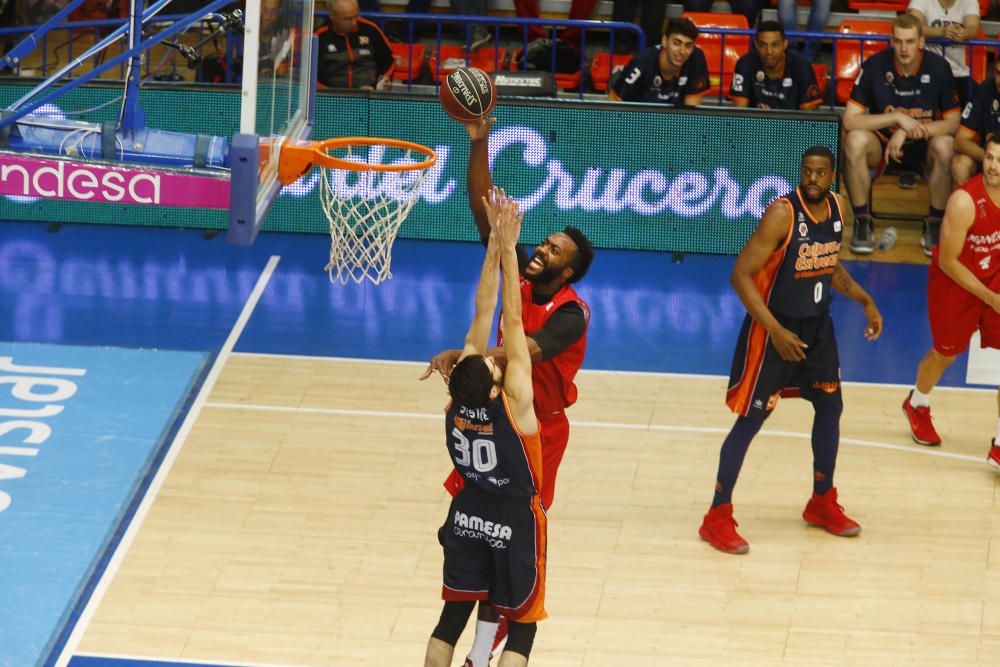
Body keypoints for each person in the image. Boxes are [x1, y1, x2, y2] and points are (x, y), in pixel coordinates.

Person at [422, 117, 593, 666]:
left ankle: (481, 640)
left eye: (556, 249)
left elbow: (525, 348)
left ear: (571, 271)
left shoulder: (572, 313)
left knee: (507, 541)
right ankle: (483, 609)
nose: (542, 249)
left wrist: (469, 355)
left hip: (537, 428)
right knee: (486, 525)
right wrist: (478, 143)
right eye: (543, 241)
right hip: (497, 407)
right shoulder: (518, 273)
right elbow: (483, 216)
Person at [698, 146, 884, 555]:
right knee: (750, 421)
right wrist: (775, 330)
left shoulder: (837, 208)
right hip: (774, 330)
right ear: (800, 173)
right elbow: (741, 275)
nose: (813, 179)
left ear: (832, 176)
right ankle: (716, 515)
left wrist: (865, 299)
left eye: (820, 173)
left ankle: (821, 500)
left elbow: (829, 265)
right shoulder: (782, 214)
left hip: (817, 329)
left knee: (831, 408)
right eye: (807, 172)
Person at [424, 188, 547, 667]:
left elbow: (483, 312)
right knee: (523, 625)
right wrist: (509, 249)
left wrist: (495, 244)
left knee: (449, 621)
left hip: (468, 510)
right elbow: (510, 319)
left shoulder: (457, 398)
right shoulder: (517, 406)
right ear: (497, 387)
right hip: (514, 517)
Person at [902, 134, 1000, 459]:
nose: (993, 167)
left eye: (999, 160)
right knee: (946, 354)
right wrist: (989, 296)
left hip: (993, 280)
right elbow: (947, 260)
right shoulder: (964, 201)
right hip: (956, 282)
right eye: (989, 158)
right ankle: (917, 402)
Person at [842, 13, 960, 256]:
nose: (903, 48)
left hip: (925, 142)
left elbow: (952, 123)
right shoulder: (874, 65)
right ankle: (863, 221)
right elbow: (850, 120)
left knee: (946, 146)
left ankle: (935, 223)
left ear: (920, 42)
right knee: (854, 141)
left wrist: (906, 131)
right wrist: (897, 119)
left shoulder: (939, 68)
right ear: (891, 41)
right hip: (883, 142)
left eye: (909, 41)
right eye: (898, 41)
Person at [609, 17, 710, 107]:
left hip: (675, 124)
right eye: (676, 43)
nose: (682, 51)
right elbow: (612, 108)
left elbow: (692, 115)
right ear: (664, 41)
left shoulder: (696, 58)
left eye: (688, 45)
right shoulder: (641, 64)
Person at [729, 20, 823, 110]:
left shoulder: (802, 67)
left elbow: (810, 119)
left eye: (775, 45)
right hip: (755, 125)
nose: (769, 51)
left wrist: (775, 120)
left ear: (785, 44)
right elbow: (739, 113)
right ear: (756, 45)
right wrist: (756, 116)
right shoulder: (745, 64)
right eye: (763, 45)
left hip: (793, 125)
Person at [908, 0, 981, 107]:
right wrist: (942, 32)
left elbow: (973, 29)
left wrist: (963, 34)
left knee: (977, 105)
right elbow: (912, 26)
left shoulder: (970, 2)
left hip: (958, 72)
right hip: (927, 70)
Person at [314, 0, 394, 90]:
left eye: (356, 16)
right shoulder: (318, 37)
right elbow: (309, 76)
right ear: (332, 16)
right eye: (347, 19)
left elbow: (389, 60)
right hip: (332, 98)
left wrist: (381, 83)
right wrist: (331, 94)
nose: (354, 22)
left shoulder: (371, 29)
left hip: (369, 94)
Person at [952, 58, 1000, 186]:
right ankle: (967, 206)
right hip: (986, 157)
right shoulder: (984, 90)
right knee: (960, 164)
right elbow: (959, 141)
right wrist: (990, 158)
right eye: (998, 73)